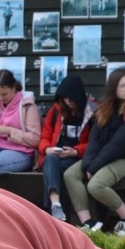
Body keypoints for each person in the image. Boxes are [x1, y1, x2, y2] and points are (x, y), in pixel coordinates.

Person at [64, 68, 125, 236]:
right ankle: (88, 223)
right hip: (104, 155)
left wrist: (94, 167)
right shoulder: (104, 109)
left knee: (96, 185)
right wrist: (88, 164)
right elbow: (95, 140)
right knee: (70, 174)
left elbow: (120, 143)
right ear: (113, 87)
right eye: (122, 85)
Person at [36, 74, 97, 221]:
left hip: (76, 158)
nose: (68, 102)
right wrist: (47, 149)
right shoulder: (56, 110)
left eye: (71, 99)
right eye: (65, 99)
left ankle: (52, 211)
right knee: (50, 160)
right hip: (55, 156)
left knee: (52, 166)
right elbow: (44, 137)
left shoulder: (93, 113)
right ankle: (56, 204)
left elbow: (95, 143)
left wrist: (75, 151)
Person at [0, 69, 40, 186]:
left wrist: (10, 131)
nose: (0, 98)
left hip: (20, 152)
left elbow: (35, 139)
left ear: (14, 88)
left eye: (4, 94)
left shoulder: (27, 106)